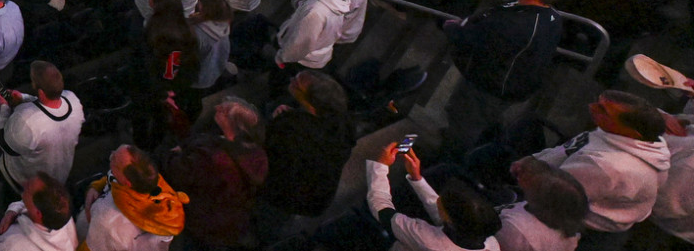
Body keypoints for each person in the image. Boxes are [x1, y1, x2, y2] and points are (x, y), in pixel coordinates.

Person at [528, 92, 670, 245]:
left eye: (603, 110)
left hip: (579, 227)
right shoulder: (642, 140)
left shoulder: (606, 166)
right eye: (597, 102)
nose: (591, 107)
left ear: (631, 132)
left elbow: (549, 196)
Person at [161, 99, 267, 251]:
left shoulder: (212, 158)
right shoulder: (256, 152)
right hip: (235, 218)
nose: (217, 107)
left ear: (233, 124)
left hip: (207, 224)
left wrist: (173, 152)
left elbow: (176, 171)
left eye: (223, 111)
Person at [445, 0, 564, 104]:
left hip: (489, 86)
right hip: (504, 83)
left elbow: (474, 39)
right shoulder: (551, 15)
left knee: (465, 115)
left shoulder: (518, 24)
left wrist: (453, 28)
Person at [366, 138, 504, 251]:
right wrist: (417, 177)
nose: (440, 198)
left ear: (450, 221)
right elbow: (442, 212)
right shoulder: (490, 244)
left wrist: (380, 166)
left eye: (444, 201)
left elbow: (380, 206)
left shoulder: (427, 239)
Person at [258, 72, 354, 219]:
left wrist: (279, 122)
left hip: (284, 195)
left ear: (310, 101)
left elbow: (265, 156)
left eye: (296, 83)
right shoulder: (342, 126)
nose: (291, 79)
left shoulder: (291, 128)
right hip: (317, 198)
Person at [80, 145, 187, 251]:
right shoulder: (151, 179)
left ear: (127, 182)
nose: (111, 155)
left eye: (114, 160)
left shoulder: (107, 221)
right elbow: (113, 178)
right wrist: (96, 187)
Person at [0, 60, 84, 189]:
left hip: (26, 183)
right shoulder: (73, 100)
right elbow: (50, 107)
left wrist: (4, 106)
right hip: (60, 175)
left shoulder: (26, 120)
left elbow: (6, 145)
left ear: (41, 92)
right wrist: (24, 98)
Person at [0, 172, 78, 251]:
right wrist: (13, 210)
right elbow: (27, 204)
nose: (24, 183)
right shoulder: (63, 217)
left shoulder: (11, 245)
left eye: (28, 188)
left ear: (38, 213)